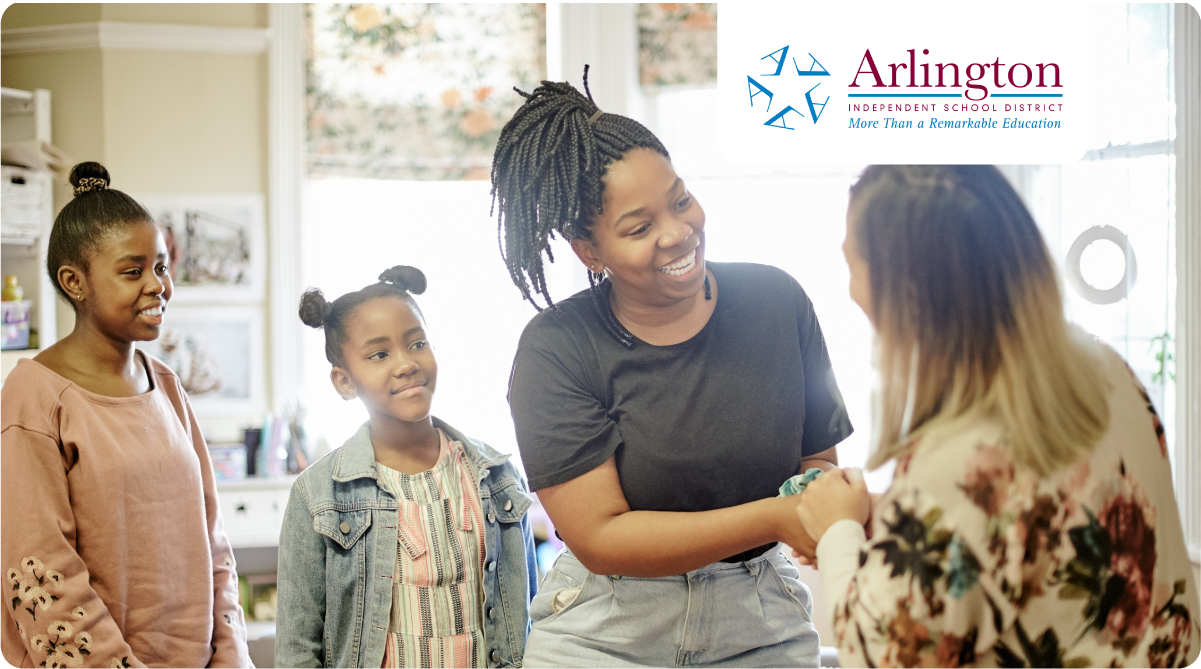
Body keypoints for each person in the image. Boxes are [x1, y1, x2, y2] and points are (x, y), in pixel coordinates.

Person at [492, 69, 853, 667]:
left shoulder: (777, 301)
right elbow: (602, 537)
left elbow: (815, 460)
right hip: (607, 630)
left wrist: (818, 502)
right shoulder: (556, 348)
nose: (679, 232)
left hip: (759, 620)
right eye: (639, 227)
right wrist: (776, 516)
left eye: (681, 200)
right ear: (590, 251)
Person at [797, 165, 1201, 669]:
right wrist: (900, 521)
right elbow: (1024, 517)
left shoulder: (961, 454)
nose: (851, 291)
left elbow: (876, 657)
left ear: (910, 300)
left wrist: (838, 532)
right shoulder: (1103, 367)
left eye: (852, 266)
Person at [0, 163, 251, 669]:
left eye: (161, 266)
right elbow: (39, 569)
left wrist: (231, 655)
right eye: (133, 271)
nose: (158, 285)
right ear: (75, 281)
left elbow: (213, 540)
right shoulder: (34, 397)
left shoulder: (168, 387)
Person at [276, 266, 536, 669]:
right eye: (379, 354)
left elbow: (527, 616)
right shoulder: (317, 496)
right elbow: (297, 648)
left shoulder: (497, 476)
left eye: (417, 344)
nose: (406, 364)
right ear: (345, 382)